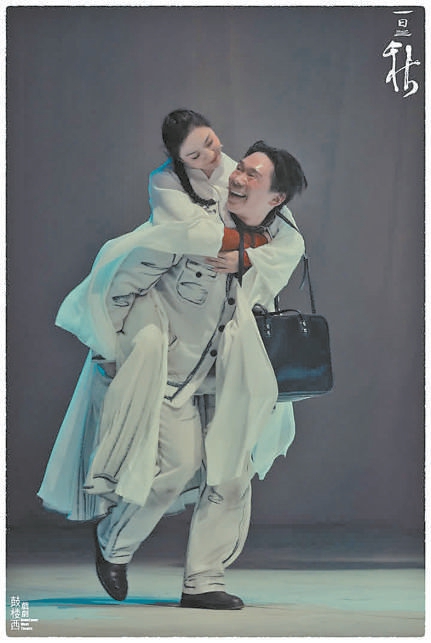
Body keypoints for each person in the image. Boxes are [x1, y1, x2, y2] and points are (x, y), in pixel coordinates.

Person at [38, 112, 308, 610]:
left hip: (232, 373)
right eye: (239, 168)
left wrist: (248, 255)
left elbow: (289, 250)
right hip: (173, 371)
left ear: (276, 199)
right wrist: (113, 346)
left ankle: (203, 582)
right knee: (176, 467)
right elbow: (125, 279)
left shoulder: (279, 237)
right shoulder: (192, 225)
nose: (235, 175)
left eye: (252, 175)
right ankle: (113, 543)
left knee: (231, 476)